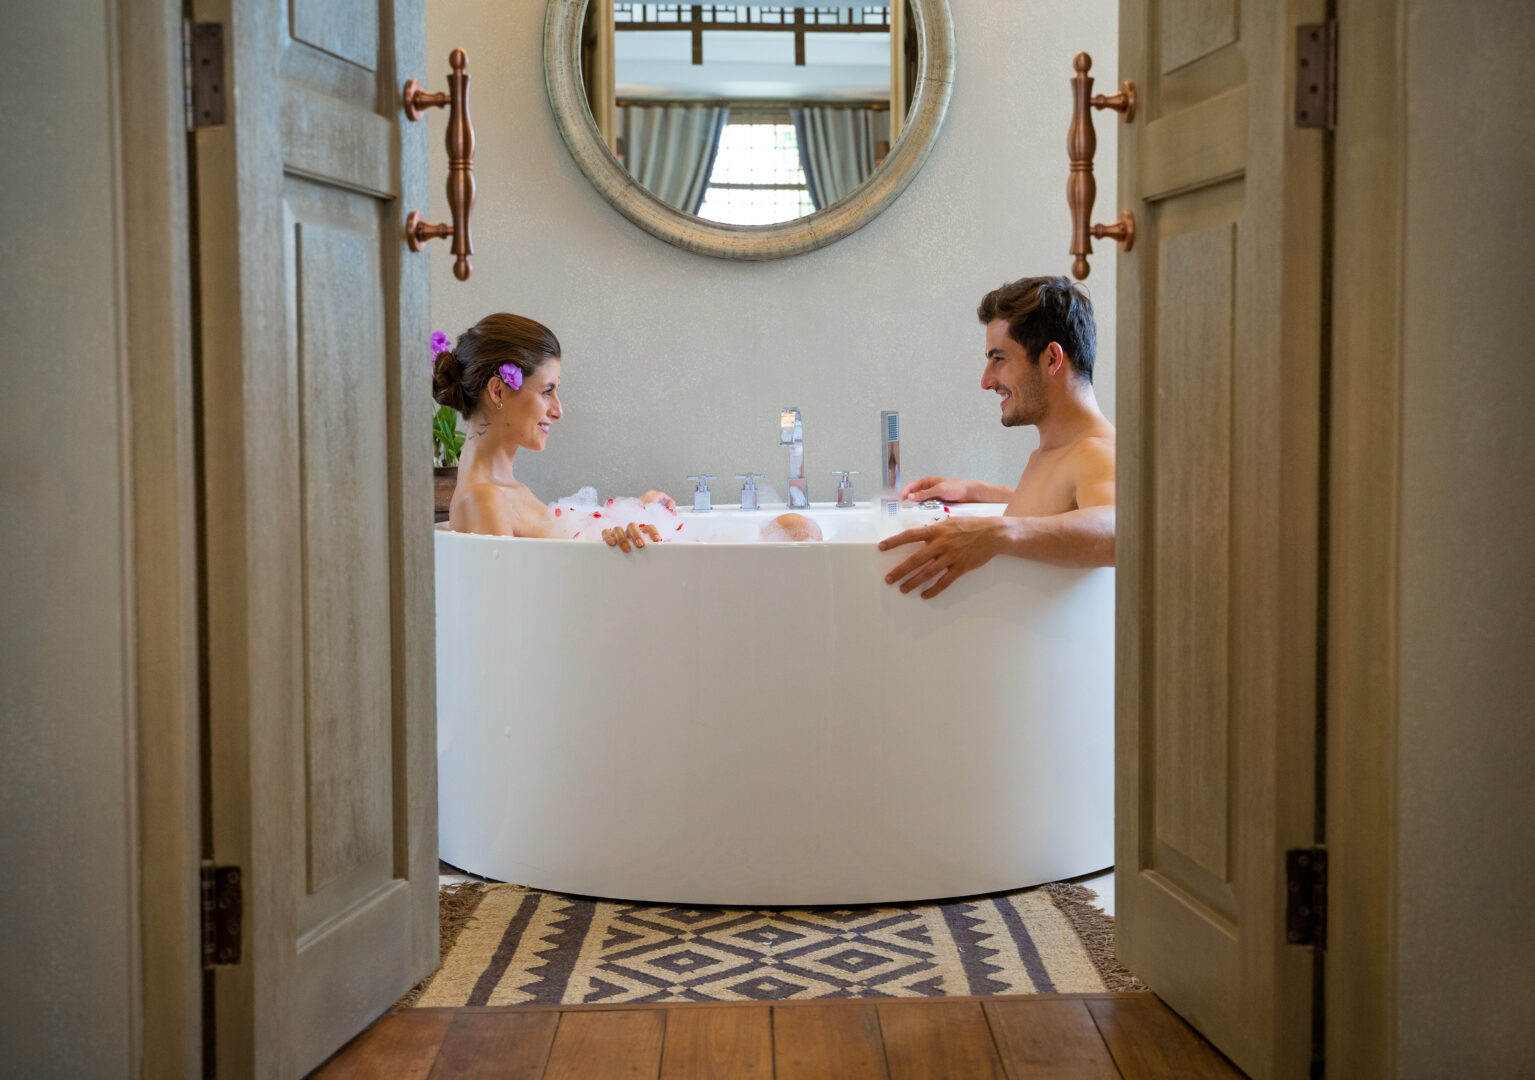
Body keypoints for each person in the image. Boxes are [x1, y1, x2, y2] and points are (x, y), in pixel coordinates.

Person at [880, 276, 1115, 598]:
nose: (986, 381)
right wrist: (979, 491)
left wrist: (997, 532)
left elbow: (1123, 529)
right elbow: (1062, 507)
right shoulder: (1060, 453)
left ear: (1051, 359)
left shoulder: (1098, 454)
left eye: (999, 359)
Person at [432, 313, 671, 549]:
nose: (558, 411)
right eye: (547, 392)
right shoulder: (484, 500)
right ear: (498, 392)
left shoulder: (508, 492)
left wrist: (634, 514)